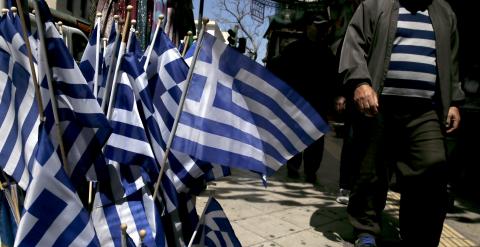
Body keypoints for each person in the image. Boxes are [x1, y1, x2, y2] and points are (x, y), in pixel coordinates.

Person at [338, 0, 464, 246]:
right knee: (371, 172)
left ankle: (418, 237)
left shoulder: (444, 11)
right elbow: (354, 46)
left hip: (426, 111)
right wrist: (360, 82)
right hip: (379, 105)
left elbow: (453, 60)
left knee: (432, 173)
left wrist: (454, 100)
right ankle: (366, 230)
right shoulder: (375, 4)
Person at [268, 11, 338, 184]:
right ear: (308, 27)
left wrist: (334, 99)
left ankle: (311, 170)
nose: (321, 30)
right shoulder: (293, 50)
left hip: (319, 104)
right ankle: (293, 166)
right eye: (317, 25)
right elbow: (276, 71)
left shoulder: (327, 53)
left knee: (316, 138)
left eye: (324, 26)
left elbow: (333, 79)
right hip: (296, 103)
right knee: (295, 135)